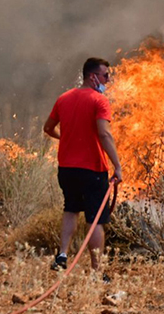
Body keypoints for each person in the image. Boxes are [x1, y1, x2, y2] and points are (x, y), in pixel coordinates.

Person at [43, 57, 123, 276]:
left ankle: (62, 255)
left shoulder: (64, 98)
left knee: (70, 209)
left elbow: (48, 128)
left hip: (67, 169)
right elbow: (104, 133)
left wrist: (65, 138)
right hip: (93, 170)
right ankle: (97, 272)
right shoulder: (99, 101)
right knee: (95, 219)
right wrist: (117, 165)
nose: (108, 80)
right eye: (106, 76)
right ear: (93, 76)